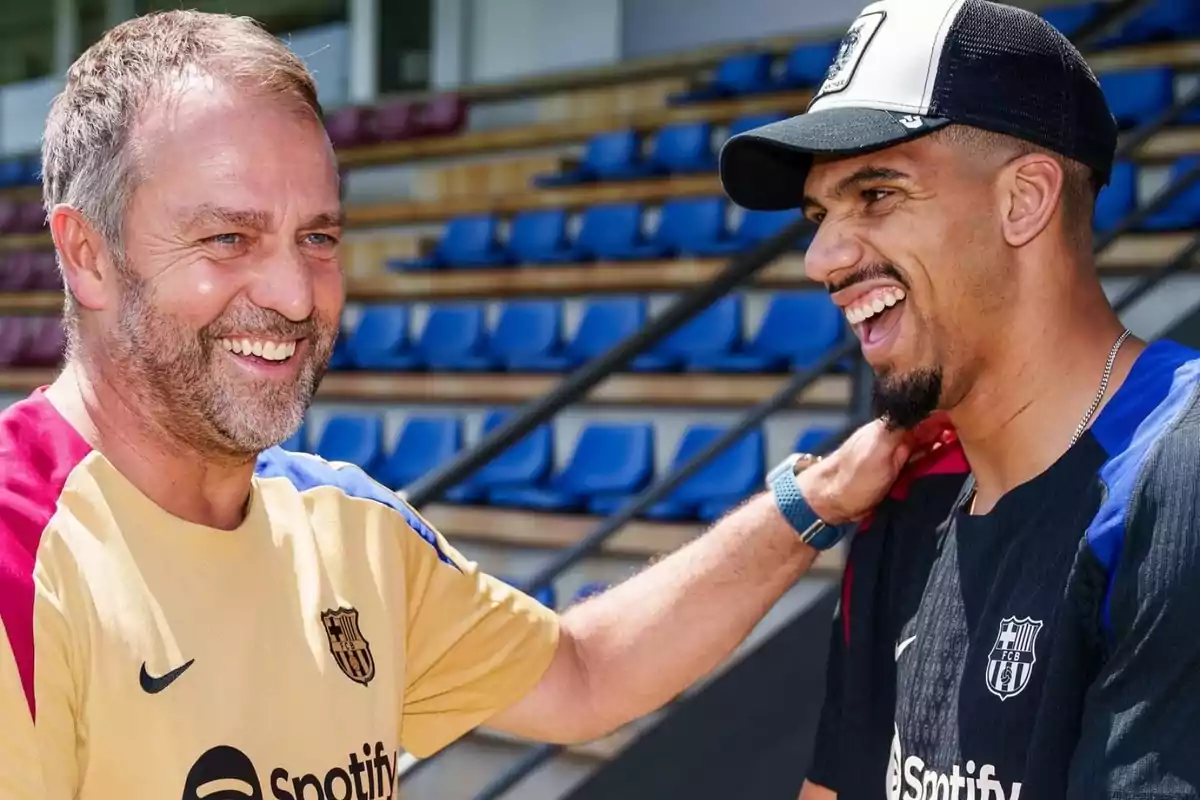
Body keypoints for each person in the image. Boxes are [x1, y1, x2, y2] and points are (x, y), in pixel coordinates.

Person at [0, 10, 932, 799]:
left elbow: (583, 673)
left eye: (318, 235)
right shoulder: (21, 561)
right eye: (228, 237)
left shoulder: (346, 525)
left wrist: (812, 502)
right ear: (86, 254)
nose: (293, 292)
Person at [720, 0, 1200, 798]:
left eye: (876, 194)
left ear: (1024, 201)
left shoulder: (1176, 474)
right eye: (819, 214)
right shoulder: (906, 492)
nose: (821, 258)